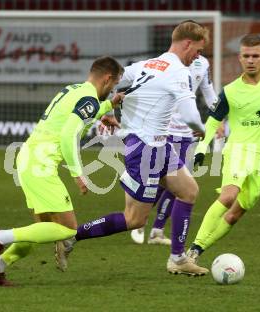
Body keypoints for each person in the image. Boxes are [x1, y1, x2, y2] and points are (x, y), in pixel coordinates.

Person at [56, 21, 210, 276]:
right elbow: (191, 115)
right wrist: (202, 129)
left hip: (158, 146)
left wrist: (108, 112)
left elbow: (105, 83)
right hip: (145, 150)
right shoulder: (178, 72)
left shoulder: (144, 65)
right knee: (134, 219)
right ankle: (72, 237)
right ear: (187, 43)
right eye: (199, 50)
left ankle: (178, 259)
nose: (198, 56)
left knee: (189, 191)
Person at [0, 56, 124, 286]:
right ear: (107, 79)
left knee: (39, 230)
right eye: (114, 84)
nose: (113, 88)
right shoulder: (89, 99)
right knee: (67, 230)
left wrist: (108, 106)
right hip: (41, 165)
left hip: (29, 158)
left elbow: (76, 115)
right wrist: (78, 173)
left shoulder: (74, 90)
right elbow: (69, 135)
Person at [186, 34, 260, 264]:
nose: (250, 60)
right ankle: (191, 252)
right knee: (228, 195)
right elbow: (213, 121)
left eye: (255, 56)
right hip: (239, 151)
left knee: (235, 214)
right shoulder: (230, 91)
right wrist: (202, 147)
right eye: (246, 56)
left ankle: (198, 251)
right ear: (240, 58)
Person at [130, 54, 218, 246]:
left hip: (188, 133)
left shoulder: (203, 64)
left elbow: (209, 91)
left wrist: (219, 117)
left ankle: (156, 231)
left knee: (179, 185)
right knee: (161, 182)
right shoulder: (169, 64)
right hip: (165, 130)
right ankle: (139, 220)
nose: (198, 50)